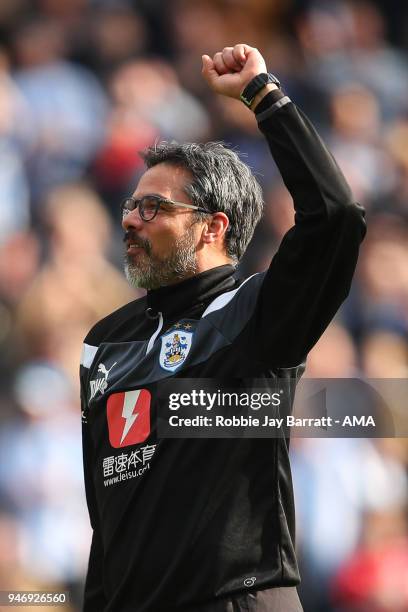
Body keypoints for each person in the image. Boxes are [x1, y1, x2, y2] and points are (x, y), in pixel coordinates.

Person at [80, 44, 366, 611]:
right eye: (130, 207)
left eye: (153, 208)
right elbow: (106, 517)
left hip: (239, 601)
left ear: (212, 227)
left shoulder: (255, 313)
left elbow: (333, 216)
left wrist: (264, 97)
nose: (131, 221)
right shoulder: (104, 340)